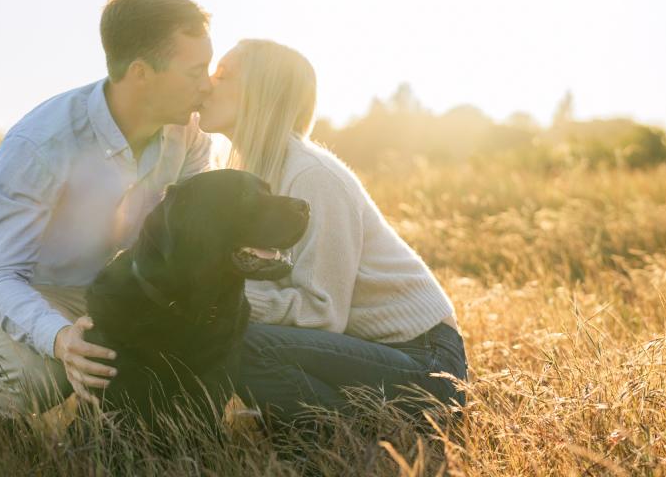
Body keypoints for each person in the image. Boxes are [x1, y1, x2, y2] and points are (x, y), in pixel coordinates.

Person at [0, 0, 214, 417]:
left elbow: (189, 239)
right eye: (194, 72)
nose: (207, 87)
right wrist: (59, 338)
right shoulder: (40, 144)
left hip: (116, 289)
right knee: (42, 377)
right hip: (25, 287)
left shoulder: (188, 135)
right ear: (141, 73)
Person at [196, 39, 468, 424]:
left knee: (244, 343)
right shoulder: (247, 174)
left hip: (427, 364)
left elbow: (322, 314)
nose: (206, 85)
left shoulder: (312, 175)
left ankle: (347, 433)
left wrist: (219, 299)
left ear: (261, 93)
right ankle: (333, 425)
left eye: (222, 75)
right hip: (362, 352)